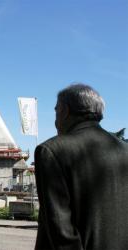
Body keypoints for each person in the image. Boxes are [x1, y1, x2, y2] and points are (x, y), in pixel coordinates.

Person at [34, 84, 128, 250]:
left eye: (56, 111)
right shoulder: (124, 150)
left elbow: (59, 226)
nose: (55, 121)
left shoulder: (51, 151)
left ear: (64, 110)